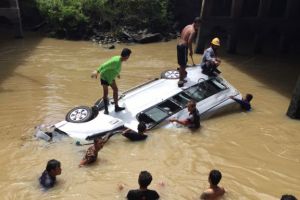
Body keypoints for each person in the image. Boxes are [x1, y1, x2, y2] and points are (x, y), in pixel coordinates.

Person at [91, 48, 132, 114]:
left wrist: (117, 74)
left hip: (111, 78)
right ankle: (106, 110)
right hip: (105, 77)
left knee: (115, 90)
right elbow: (104, 65)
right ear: (126, 56)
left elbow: (115, 68)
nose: (129, 57)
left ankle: (116, 107)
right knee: (106, 93)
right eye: (129, 56)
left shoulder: (119, 59)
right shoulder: (115, 61)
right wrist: (97, 71)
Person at [177, 17, 201, 87]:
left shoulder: (187, 26)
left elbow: (182, 34)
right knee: (183, 64)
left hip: (179, 45)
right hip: (183, 47)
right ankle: (181, 80)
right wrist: (191, 51)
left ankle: (182, 72)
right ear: (196, 23)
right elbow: (189, 41)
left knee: (182, 62)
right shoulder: (193, 31)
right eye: (199, 25)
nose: (198, 27)